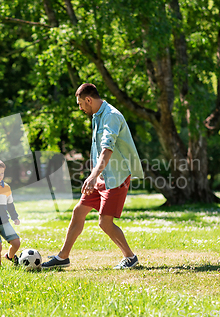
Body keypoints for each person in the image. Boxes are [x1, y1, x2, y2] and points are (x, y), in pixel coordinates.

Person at [42, 83, 144, 270]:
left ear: (89, 100)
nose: (80, 108)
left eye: (80, 104)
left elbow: (107, 150)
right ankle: (63, 257)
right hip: (101, 176)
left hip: (116, 177)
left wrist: (92, 175)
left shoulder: (111, 116)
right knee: (78, 211)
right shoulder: (98, 115)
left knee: (105, 222)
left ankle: (130, 257)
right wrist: (95, 176)